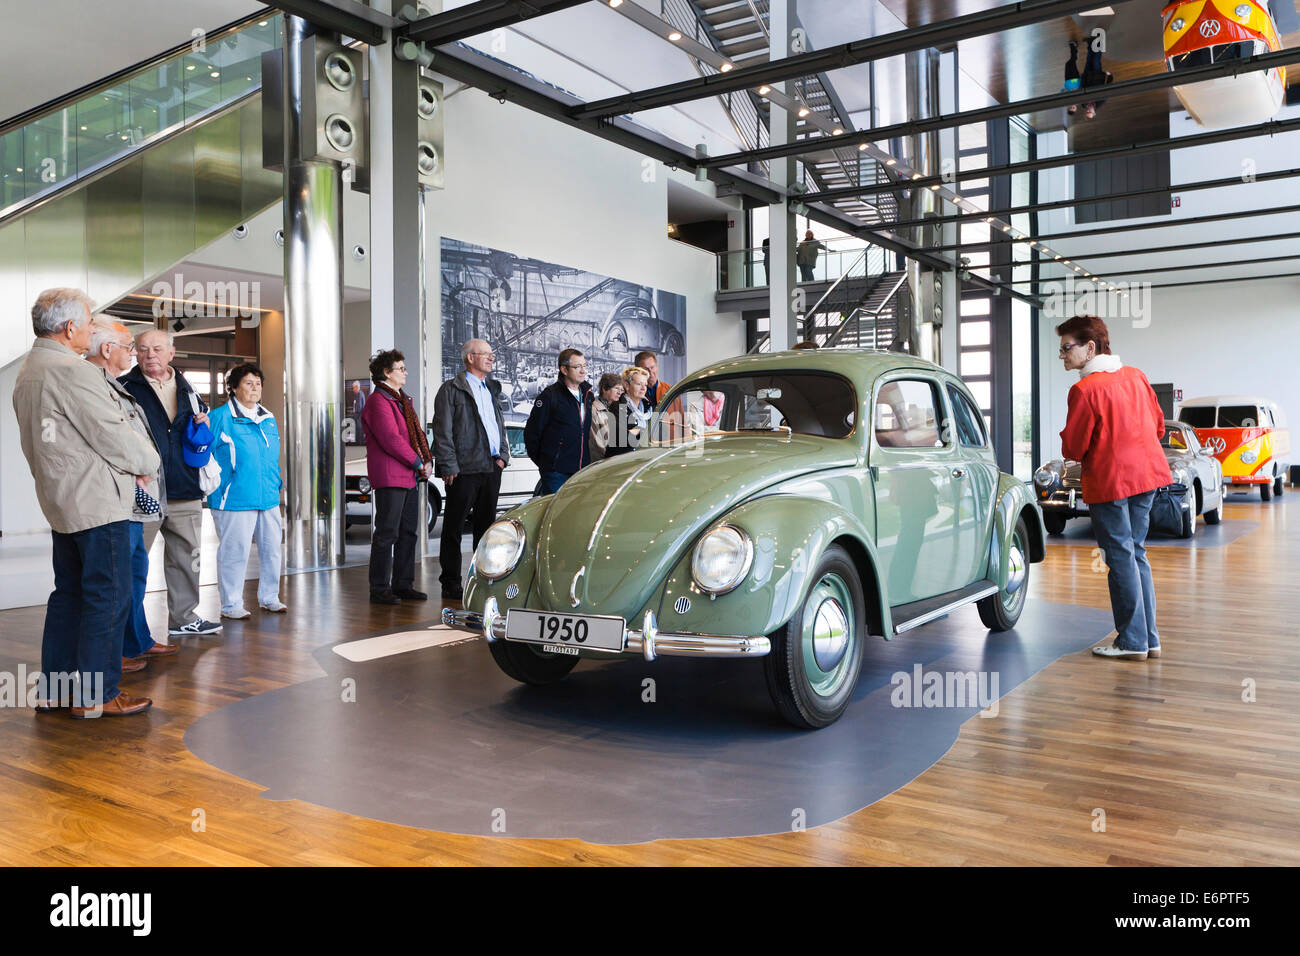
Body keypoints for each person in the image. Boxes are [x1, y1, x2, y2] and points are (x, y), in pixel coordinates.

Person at [13, 289, 161, 717]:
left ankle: (54, 690)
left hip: (63, 502)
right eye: (89, 319)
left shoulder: (30, 371)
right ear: (70, 328)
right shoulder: (74, 372)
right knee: (107, 598)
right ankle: (97, 696)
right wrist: (147, 461)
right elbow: (112, 434)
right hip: (98, 503)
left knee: (70, 594)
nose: (92, 326)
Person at [1056, 315, 1172, 662]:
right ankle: (1148, 638)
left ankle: (1132, 641)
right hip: (1147, 477)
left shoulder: (1084, 390)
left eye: (1066, 348)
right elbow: (1159, 427)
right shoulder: (1136, 376)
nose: (1062, 355)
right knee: (1136, 554)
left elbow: (1073, 449)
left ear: (1090, 348)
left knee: (1120, 558)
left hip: (1111, 482)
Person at [86, 318, 179, 668]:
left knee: (136, 571)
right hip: (116, 497)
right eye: (133, 348)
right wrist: (141, 465)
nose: (138, 354)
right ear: (109, 350)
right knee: (118, 580)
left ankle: (136, 640)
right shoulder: (98, 386)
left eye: (152, 349)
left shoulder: (110, 385)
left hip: (135, 499)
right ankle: (118, 652)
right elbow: (111, 440)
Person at [119, 329, 222, 637]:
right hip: (143, 490)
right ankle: (129, 630)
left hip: (184, 485)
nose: (151, 354)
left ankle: (184, 617)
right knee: (133, 563)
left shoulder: (189, 389)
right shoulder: (124, 387)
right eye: (144, 349)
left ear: (171, 353)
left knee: (187, 557)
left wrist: (202, 421)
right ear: (135, 353)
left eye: (157, 349)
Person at [431, 339, 510, 602]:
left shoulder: (490, 389)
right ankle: (451, 582)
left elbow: (498, 426)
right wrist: (449, 465)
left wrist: (503, 457)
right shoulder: (451, 390)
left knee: (486, 530)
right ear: (469, 358)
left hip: (491, 467)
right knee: (453, 528)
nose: (491, 358)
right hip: (463, 471)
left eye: (491, 354)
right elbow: (442, 431)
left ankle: (483, 580)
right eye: (485, 354)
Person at [206, 364, 286, 619]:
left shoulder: (268, 417)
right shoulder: (219, 418)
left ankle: (270, 597)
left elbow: (271, 457)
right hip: (234, 498)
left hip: (268, 497)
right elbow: (203, 455)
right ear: (233, 388)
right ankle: (231, 605)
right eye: (248, 383)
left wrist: (276, 483)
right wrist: (217, 484)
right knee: (234, 552)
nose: (255, 388)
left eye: (258, 384)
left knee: (273, 549)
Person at [361, 349, 433, 605]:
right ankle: (379, 588)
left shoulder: (402, 400)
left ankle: (403, 585)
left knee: (408, 533)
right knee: (386, 534)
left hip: (409, 476)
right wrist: (417, 461)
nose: (405, 372)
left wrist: (427, 460)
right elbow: (391, 440)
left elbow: (417, 434)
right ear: (386, 373)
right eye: (400, 368)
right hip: (391, 476)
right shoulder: (378, 401)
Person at [524, 348, 593, 494]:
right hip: (556, 473)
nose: (583, 371)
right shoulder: (550, 396)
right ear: (564, 369)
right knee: (557, 515)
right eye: (577, 367)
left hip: (582, 471)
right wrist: (548, 464)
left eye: (584, 366)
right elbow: (532, 434)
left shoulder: (588, 396)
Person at [589, 371, 640, 461]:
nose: (619, 392)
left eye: (621, 390)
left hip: (620, 460)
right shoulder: (594, 410)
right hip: (604, 463)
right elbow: (596, 444)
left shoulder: (620, 409)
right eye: (616, 388)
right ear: (604, 389)